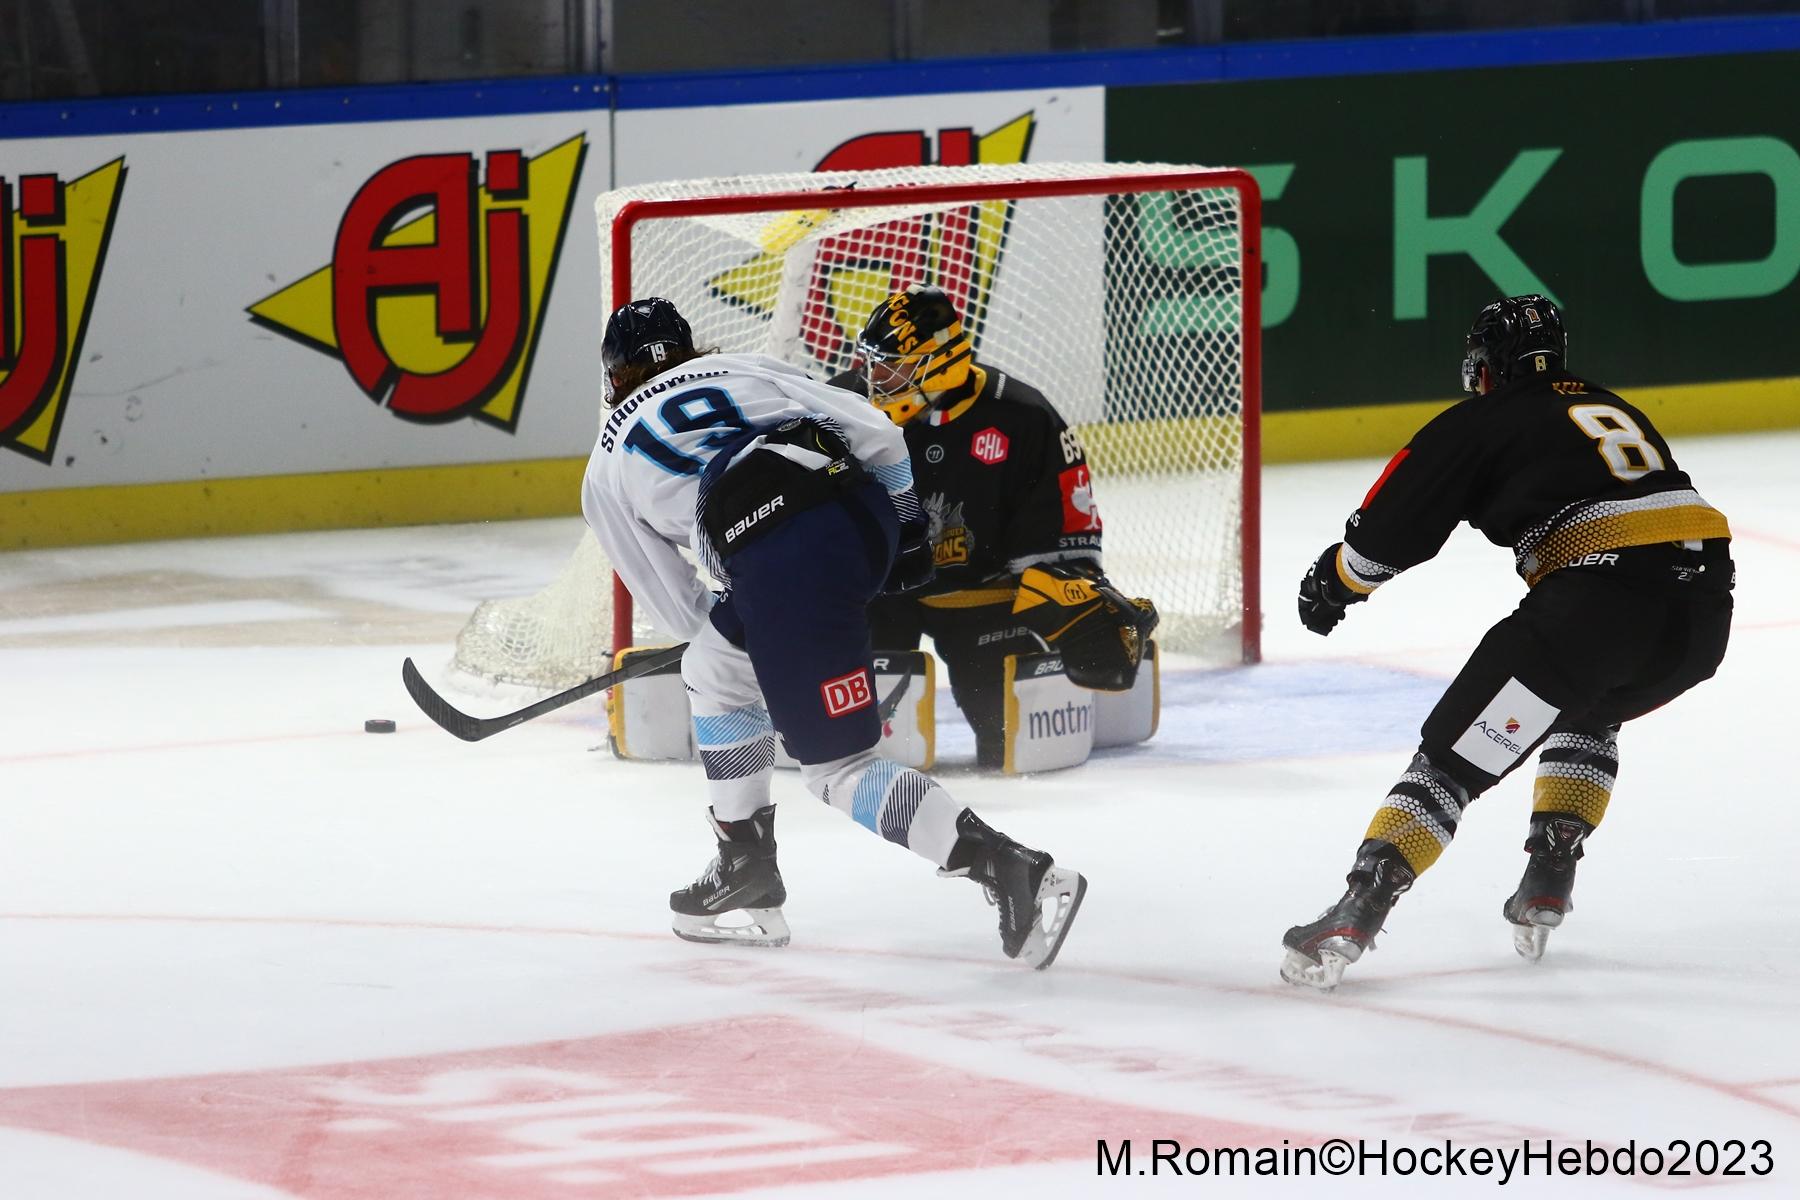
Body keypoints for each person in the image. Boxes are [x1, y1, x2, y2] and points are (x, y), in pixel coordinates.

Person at [581, 297, 1087, 967]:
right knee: (715, 671)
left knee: (835, 768)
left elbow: (679, 612)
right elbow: (877, 431)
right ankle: (744, 864)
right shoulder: (743, 367)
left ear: (614, 375)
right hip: (862, 514)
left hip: (787, 559)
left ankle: (1008, 866)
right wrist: (907, 531)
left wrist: (759, 610)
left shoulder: (606, 462)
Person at [1280, 295, 1734, 990]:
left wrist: (1332, 584)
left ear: (1486, 366)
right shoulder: (1614, 407)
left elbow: (1385, 536)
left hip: (1597, 612)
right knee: (1588, 707)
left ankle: (1358, 908)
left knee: (1452, 763)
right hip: (1701, 621)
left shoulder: (1483, 418)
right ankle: (1550, 872)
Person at [829, 285, 1153, 769]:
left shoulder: (1023, 416)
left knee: (1012, 743)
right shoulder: (843, 406)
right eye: (870, 363)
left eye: (891, 366)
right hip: (879, 594)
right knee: (846, 746)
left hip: (982, 601)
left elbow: (1068, 529)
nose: (874, 379)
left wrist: (1070, 588)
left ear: (939, 362)